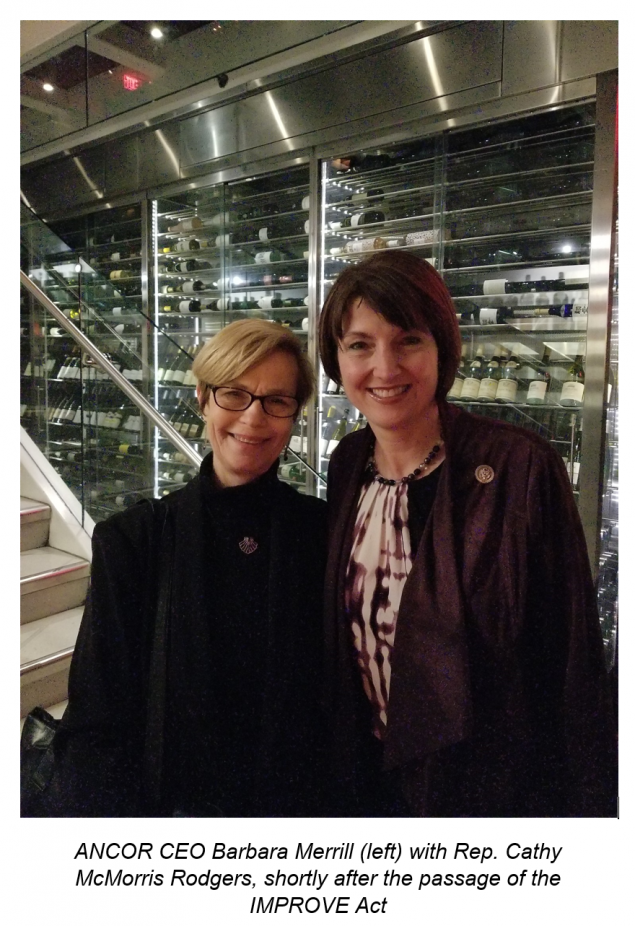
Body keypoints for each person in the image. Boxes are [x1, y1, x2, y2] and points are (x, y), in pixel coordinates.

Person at [318, 249, 617, 817]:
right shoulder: (347, 462)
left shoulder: (520, 468)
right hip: (367, 785)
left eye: (408, 339)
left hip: (487, 795)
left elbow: (571, 667)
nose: (384, 368)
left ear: (442, 348)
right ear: (338, 358)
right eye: (360, 344)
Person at [25, 319, 328, 817]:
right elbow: (97, 721)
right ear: (204, 399)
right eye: (234, 394)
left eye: (277, 400)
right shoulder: (132, 540)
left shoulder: (324, 531)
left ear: (295, 414)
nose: (253, 418)